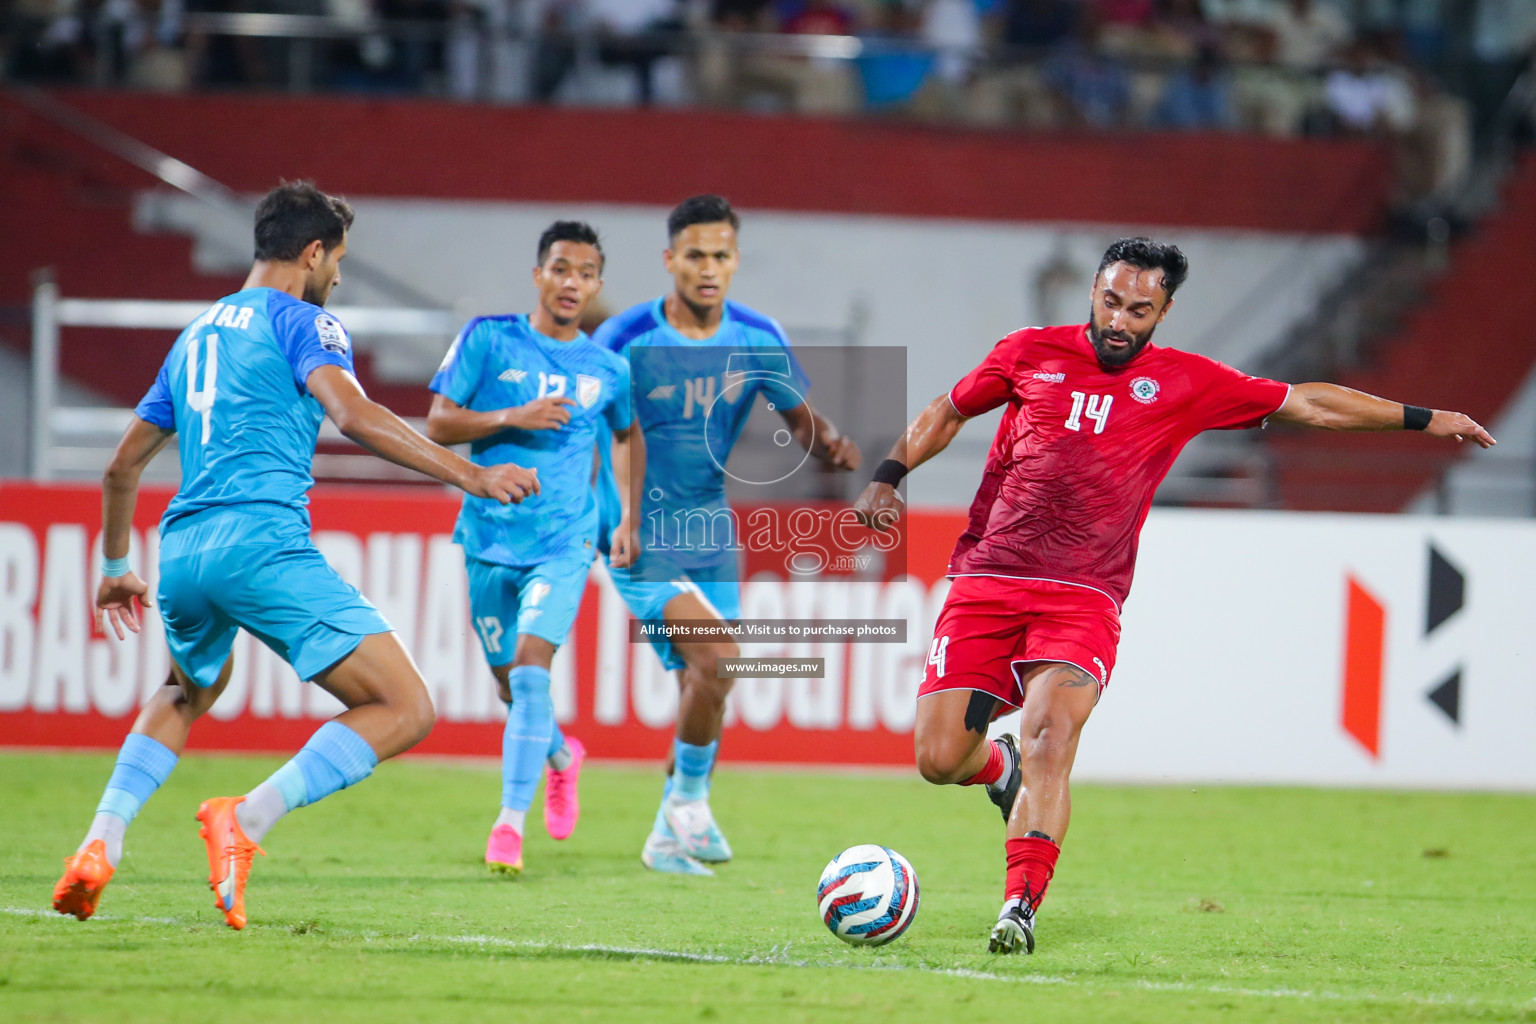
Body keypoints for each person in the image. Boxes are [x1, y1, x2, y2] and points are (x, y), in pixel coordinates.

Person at [852, 236, 1495, 954]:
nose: (1120, 321)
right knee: (941, 759)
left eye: (1139, 309)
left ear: (1163, 312)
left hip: (1082, 595)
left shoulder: (1186, 382)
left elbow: (1309, 404)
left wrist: (1426, 418)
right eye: (1110, 302)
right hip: (988, 580)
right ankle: (997, 770)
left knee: (1050, 736)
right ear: (1092, 293)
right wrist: (888, 473)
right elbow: (947, 410)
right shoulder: (1029, 352)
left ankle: (1019, 907)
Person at [52, 181, 537, 930]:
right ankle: (245, 818)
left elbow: (121, 469)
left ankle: (96, 843)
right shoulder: (303, 320)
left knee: (184, 694)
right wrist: (471, 474)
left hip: (180, 553)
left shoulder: (194, 336)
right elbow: (353, 413)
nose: (337, 277)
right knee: (406, 708)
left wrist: (116, 567)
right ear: (312, 253)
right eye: (336, 259)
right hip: (261, 545)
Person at [591, 194, 860, 876]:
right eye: (694, 256)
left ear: (734, 261)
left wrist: (828, 442)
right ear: (670, 260)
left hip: (710, 529)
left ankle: (667, 831)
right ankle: (687, 802)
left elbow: (799, 418)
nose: (707, 269)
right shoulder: (623, 339)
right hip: (635, 531)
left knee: (707, 679)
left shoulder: (756, 335)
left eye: (719, 256)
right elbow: (596, 432)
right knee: (720, 657)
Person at [425, 221, 642, 876]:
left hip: (565, 541)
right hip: (489, 537)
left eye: (584, 272)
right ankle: (560, 756)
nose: (571, 282)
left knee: (528, 668)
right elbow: (438, 421)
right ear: (538, 275)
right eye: (560, 268)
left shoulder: (609, 369)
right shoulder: (489, 339)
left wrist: (627, 513)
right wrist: (509, 418)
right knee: (508, 685)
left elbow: (627, 436)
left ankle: (508, 827)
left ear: (598, 285)